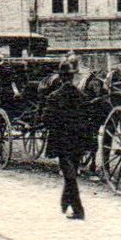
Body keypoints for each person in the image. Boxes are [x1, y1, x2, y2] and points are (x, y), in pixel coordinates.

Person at [42, 55, 94, 221]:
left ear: (60, 77)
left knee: (69, 176)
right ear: (72, 77)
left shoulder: (53, 97)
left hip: (62, 141)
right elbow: (89, 117)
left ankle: (79, 211)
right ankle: (65, 203)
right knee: (71, 173)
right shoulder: (82, 96)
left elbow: (47, 120)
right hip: (79, 140)